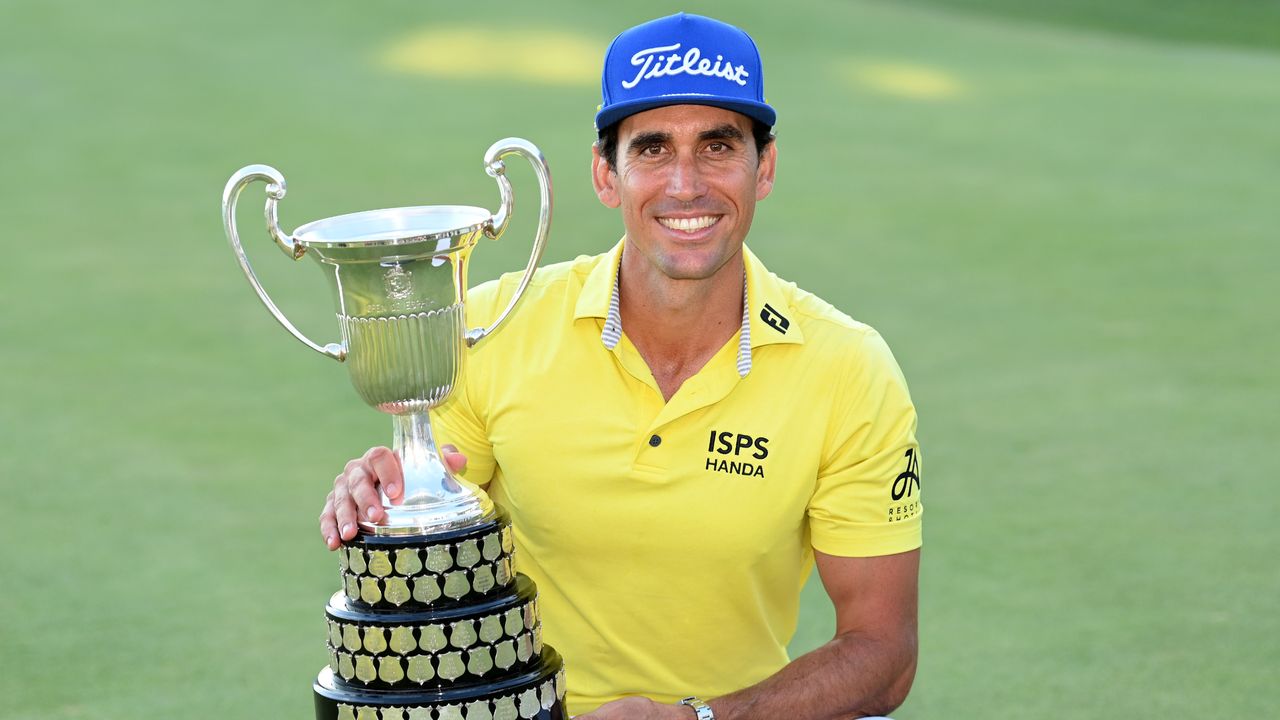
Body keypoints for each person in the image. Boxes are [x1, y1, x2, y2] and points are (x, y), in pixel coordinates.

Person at [320, 13, 922, 720]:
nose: (686, 184)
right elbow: (430, 565)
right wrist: (390, 496)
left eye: (719, 145)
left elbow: (883, 654)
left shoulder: (848, 367)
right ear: (607, 174)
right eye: (653, 149)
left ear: (766, 167)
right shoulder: (488, 327)